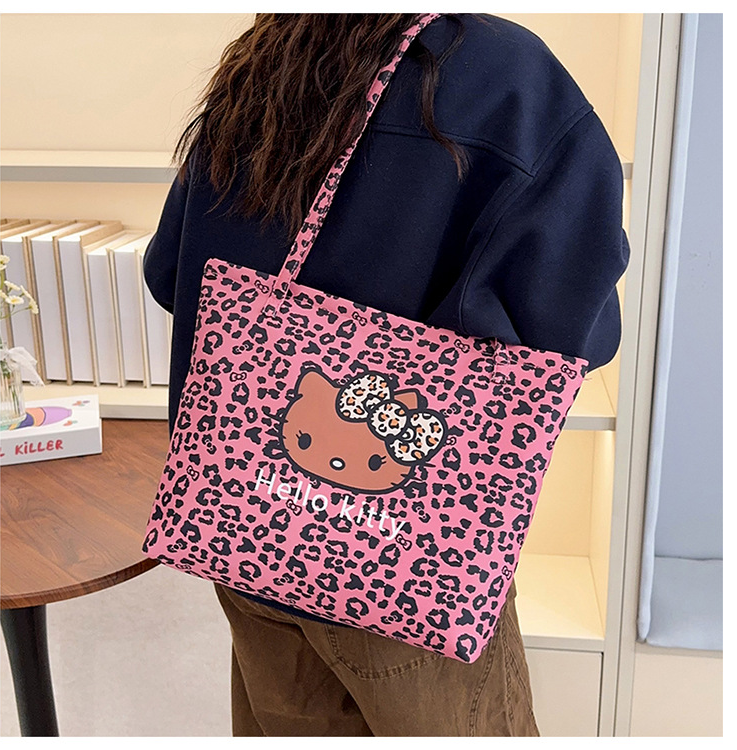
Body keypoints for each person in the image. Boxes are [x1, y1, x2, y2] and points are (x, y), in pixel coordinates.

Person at [143, 13, 629, 737]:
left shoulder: (265, 61)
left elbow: (169, 274)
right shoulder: (509, 78)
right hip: (408, 570)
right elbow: (569, 330)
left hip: (249, 531)